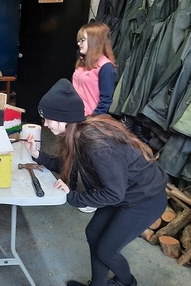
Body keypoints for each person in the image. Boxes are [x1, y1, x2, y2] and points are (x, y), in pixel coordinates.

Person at [23, 79, 168, 286]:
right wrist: (36, 153)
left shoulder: (97, 147)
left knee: (107, 250)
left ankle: (127, 283)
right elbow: (66, 164)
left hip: (145, 198)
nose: (45, 124)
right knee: (93, 233)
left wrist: (72, 196)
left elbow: (113, 194)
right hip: (124, 191)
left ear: (65, 118)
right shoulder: (77, 134)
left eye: (48, 119)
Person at [72, 22, 117, 213]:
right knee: (70, 154)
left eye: (83, 40)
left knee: (89, 160)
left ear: (95, 41)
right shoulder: (82, 61)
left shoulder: (106, 67)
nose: (79, 44)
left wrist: (92, 120)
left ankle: (93, 197)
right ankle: (68, 188)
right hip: (74, 117)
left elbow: (106, 99)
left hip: (91, 121)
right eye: (79, 40)